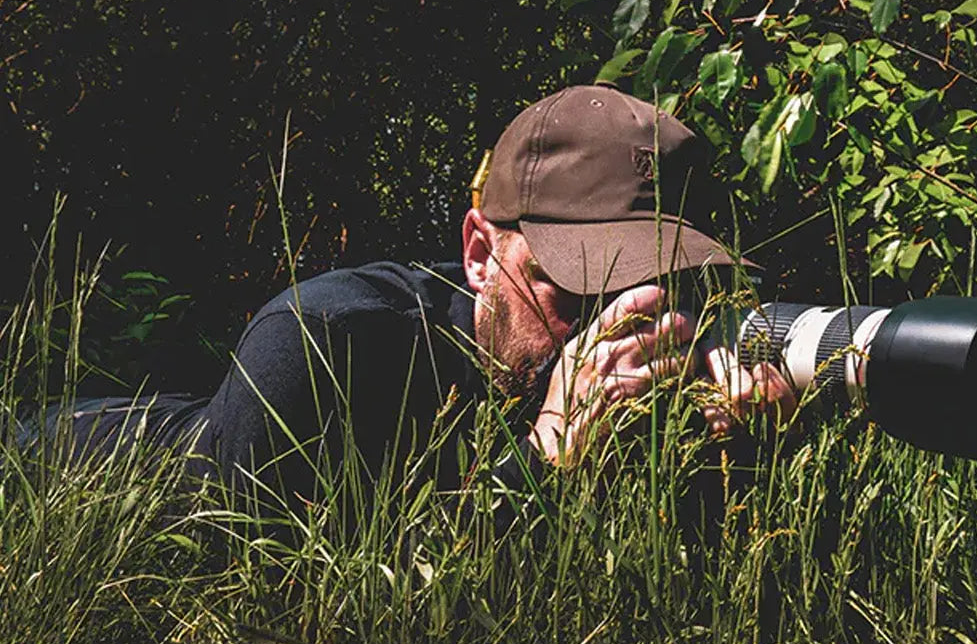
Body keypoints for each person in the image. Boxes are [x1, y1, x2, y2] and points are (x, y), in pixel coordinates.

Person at [28, 85, 796, 507]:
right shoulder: (330, 343)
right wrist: (548, 453)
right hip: (54, 470)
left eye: (649, 290)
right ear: (478, 254)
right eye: (572, 288)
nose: (612, 329)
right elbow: (314, 622)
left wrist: (742, 456)